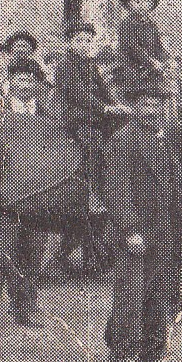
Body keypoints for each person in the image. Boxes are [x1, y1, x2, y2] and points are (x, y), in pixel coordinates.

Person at [102, 80, 182, 362]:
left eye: (157, 105)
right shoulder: (123, 139)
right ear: (135, 107)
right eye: (146, 105)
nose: (152, 110)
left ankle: (153, 354)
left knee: (159, 292)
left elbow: (178, 176)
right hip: (135, 230)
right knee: (130, 292)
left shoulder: (167, 137)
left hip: (165, 226)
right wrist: (130, 229)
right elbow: (116, 189)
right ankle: (123, 353)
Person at [56, 22, 128, 274]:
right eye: (80, 40)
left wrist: (118, 106)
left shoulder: (91, 64)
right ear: (70, 42)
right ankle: (94, 191)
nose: (85, 44)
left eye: (88, 40)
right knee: (92, 143)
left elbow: (106, 91)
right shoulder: (65, 65)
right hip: (76, 116)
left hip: (97, 116)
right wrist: (106, 108)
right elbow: (77, 94)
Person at [0, 58, 56, 327]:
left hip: (38, 196)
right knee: (4, 251)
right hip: (6, 199)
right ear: (10, 83)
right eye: (19, 80)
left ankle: (28, 304)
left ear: (37, 84)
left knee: (34, 250)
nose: (24, 85)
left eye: (30, 80)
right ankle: (1, 308)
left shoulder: (47, 116)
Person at [114, 0, 169, 100]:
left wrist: (166, 59)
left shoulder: (151, 25)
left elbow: (158, 46)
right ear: (128, 4)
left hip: (150, 68)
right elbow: (133, 48)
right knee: (138, 94)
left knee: (167, 84)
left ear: (151, 4)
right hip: (132, 68)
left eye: (145, 1)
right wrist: (151, 62)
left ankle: (165, 114)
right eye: (137, 1)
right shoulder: (127, 24)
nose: (141, 5)